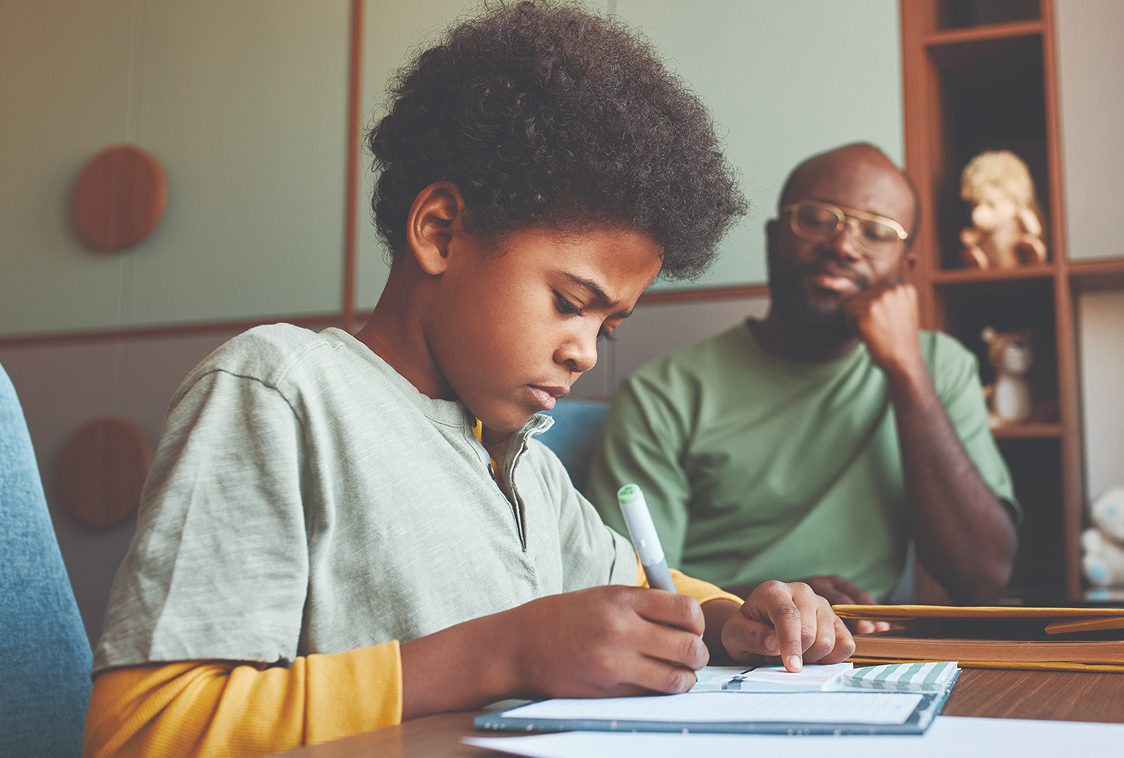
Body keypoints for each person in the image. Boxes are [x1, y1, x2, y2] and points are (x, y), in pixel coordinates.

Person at [83, 5, 854, 756]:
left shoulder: (529, 471)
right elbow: (143, 731)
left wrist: (733, 619)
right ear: (441, 232)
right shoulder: (281, 393)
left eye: (606, 327)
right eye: (569, 304)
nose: (585, 351)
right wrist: (499, 657)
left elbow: (641, 585)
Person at [587, 143, 1019, 625]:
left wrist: (906, 371)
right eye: (816, 219)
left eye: (876, 231)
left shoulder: (939, 366)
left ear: (905, 270)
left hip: (866, 657)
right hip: (709, 657)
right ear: (774, 239)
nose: (843, 246)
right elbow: (626, 596)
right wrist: (767, 602)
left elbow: (982, 577)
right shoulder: (664, 394)